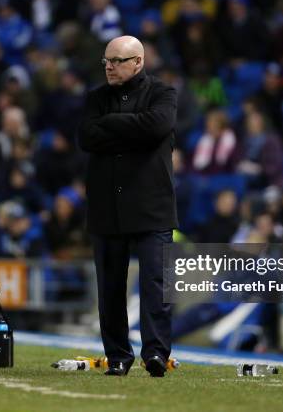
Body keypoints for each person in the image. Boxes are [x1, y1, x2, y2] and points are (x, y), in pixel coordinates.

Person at [77, 35, 177, 377]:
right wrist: (134, 127)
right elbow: (86, 137)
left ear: (138, 62)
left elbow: (157, 127)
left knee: (155, 284)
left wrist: (111, 126)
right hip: (107, 206)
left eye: (116, 60)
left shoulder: (164, 93)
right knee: (110, 288)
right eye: (106, 60)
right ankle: (118, 356)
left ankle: (156, 354)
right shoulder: (96, 98)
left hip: (151, 206)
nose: (108, 66)